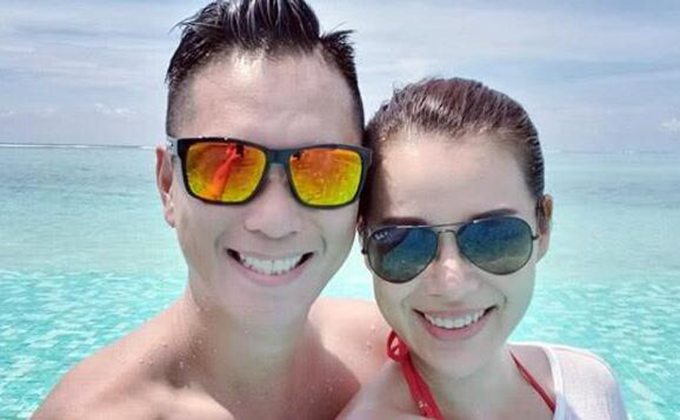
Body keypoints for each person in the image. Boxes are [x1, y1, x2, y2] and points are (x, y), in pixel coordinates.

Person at [34, 1, 388, 418]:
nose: (274, 221)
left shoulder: (400, 356)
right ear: (168, 185)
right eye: (227, 165)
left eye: (323, 169)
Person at [340, 78, 628, 419]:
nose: (452, 284)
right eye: (407, 242)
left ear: (543, 226)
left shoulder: (590, 384)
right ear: (365, 242)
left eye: (491, 237)